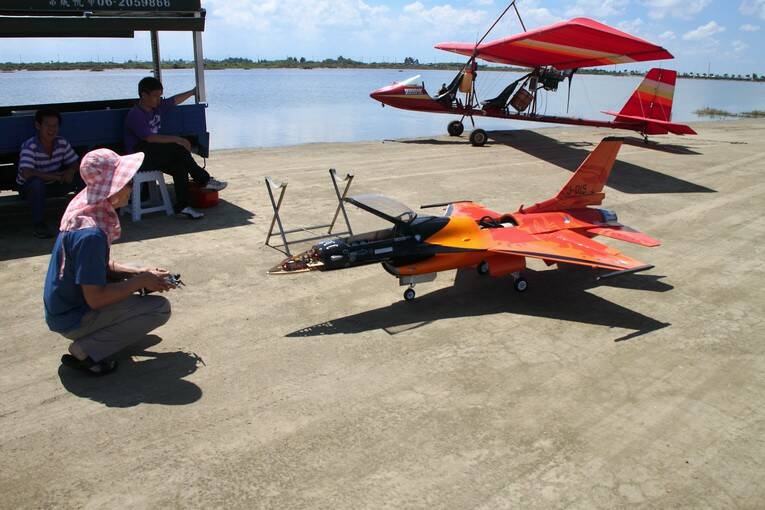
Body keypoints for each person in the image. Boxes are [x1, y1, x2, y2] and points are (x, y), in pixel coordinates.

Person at [45, 148, 175, 375]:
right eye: (128, 182)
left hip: (62, 306)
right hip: (73, 315)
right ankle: (84, 350)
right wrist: (140, 281)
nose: (131, 187)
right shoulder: (91, 234)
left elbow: (97, 266)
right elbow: (96, 299)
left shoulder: (82, 210)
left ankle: (97, 336)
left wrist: (140, 272)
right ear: (113, 188)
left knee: (136, 277)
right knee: (159, 309)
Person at [124, 76, 227, 219]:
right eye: (155, 96)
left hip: (153, 154)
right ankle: (204, 180)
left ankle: (182, 207)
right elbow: (150, 138)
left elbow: (174, 100)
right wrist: (178, 139)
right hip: (139, 157)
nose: (158, 99)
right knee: (177, 148)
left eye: (160, 96)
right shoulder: (135, 114)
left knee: (180, 166)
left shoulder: (157, 107)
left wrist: (192, 92)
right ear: (143, 95)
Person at [17, 109, 85, 238]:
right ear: (38, 126)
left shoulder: (61, 143)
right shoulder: (30, 146)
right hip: (30, 188)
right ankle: (39, 225)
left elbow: (76, 163)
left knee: (82, 176)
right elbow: (27, 173)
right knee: (36, 185)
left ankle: (82, 217)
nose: (51, 129)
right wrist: (58, 176)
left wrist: (70, 171)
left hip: (55, 184)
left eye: (55, 126)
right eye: (47, 125)